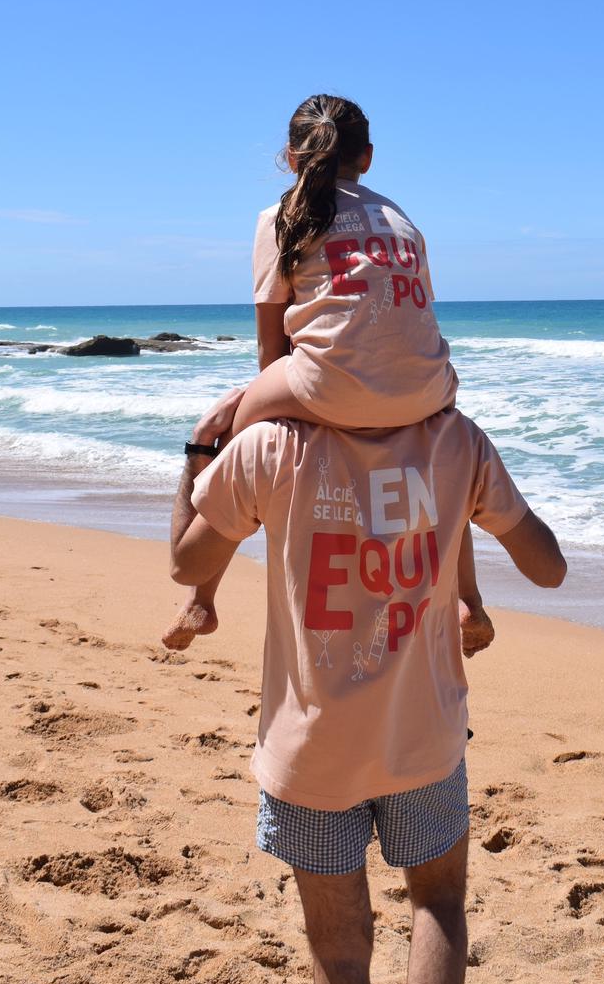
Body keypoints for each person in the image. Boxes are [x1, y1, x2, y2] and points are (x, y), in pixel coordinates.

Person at [170, 393, 566, 984]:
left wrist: (199, 452)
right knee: (438, 905)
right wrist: (470, 581)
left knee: (338, 948)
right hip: (423, 738)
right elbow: (548, 569)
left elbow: (186, 559)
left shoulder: (271, 448)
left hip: (312, 751)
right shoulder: (455, 443)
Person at [163, 92, 481, 652]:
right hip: (429, 385)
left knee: (234, 434)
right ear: (369, 157)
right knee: (445, 456)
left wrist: (279, 409)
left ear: (291, 157)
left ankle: (201, 599)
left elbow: (271, 347)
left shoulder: (279, 216)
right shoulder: (401, 218)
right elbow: (405, 317)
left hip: (326, 381)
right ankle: (466, 600)